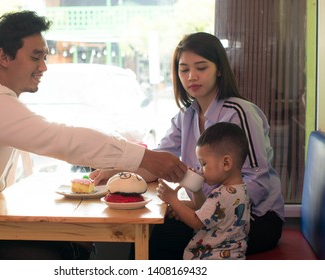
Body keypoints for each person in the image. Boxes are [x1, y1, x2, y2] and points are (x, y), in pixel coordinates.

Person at [0, 10, 187, 260]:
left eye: (44, 57)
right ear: (4, 56)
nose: (43, 67)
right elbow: (62, 139)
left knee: (70, 246)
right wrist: (145, 157)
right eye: (36, 57)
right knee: (54, 255)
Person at [91, 32, 284, 258]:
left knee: (160, 243)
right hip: (210, 212)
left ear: (219, 69)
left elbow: (258, 180)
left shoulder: (240, 113)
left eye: (201, 68)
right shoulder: (186, 116)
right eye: (184, 70)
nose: (192, 76)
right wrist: (115, 172)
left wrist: (204, 210)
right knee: (149, 236)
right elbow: (158, 162)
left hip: (254, 219)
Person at [157, 122, 251, 260]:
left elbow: (196, 221)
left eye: (204, 164)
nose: (201, 170)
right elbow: (205, 211)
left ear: (226, 163)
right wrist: (196, 191)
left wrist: (172, 199)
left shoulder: (221, 195)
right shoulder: (240, 190)